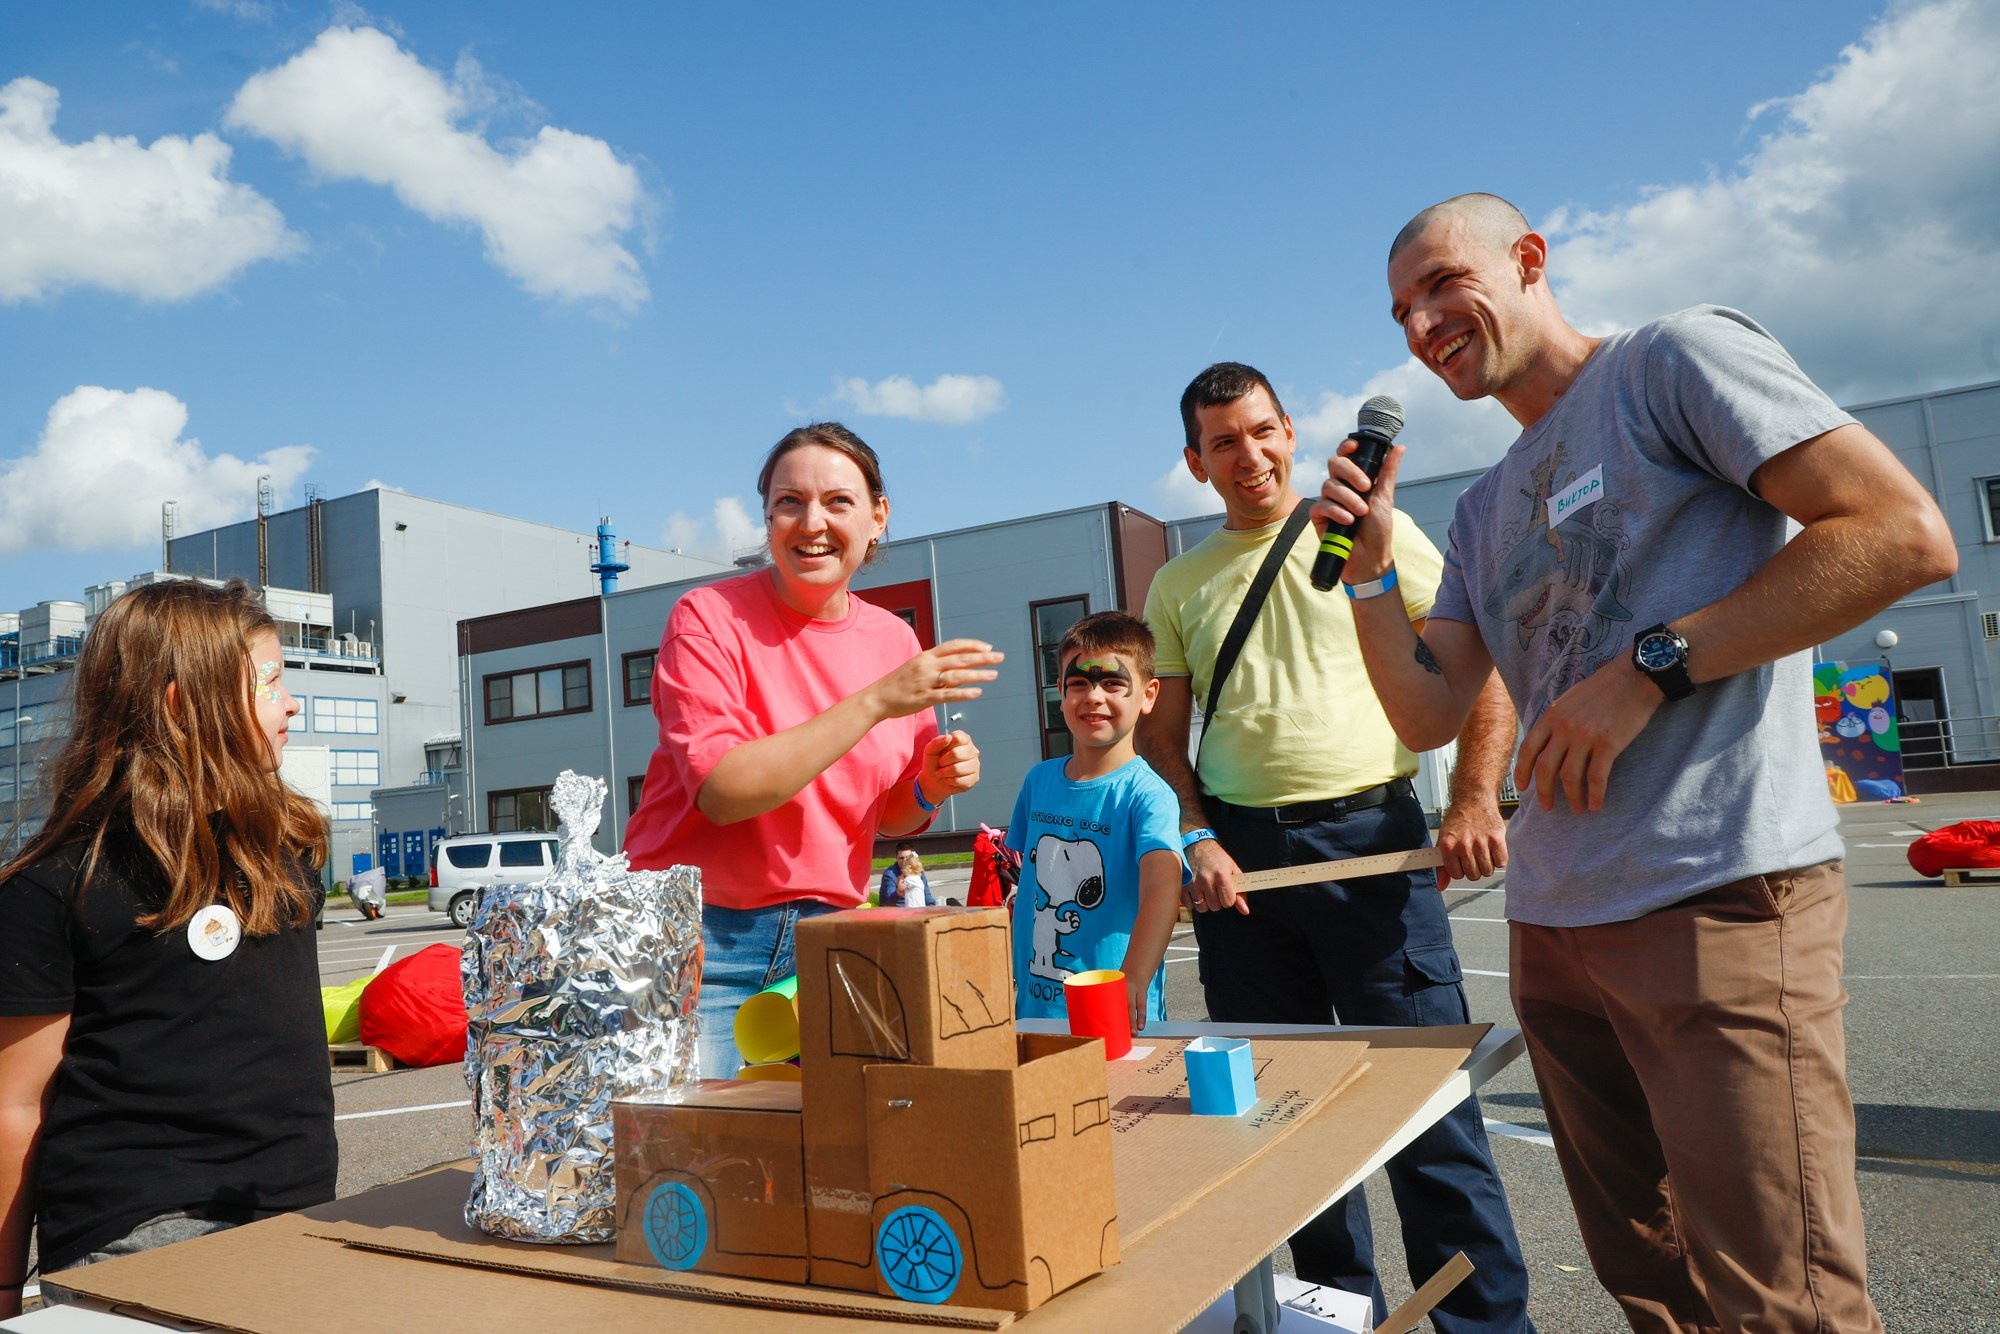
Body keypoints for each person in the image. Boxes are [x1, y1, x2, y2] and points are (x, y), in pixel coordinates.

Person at [1329, 192, 1958, 1333]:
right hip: (1553, 927)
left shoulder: (1670, 362)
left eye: (1440, 284)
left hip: (1713, 892)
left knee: (1785, 1300)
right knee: (1654, 1288)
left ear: (1527, 260)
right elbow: (1424, 710)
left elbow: (1897, 532)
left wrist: (1647, 668)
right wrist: (1372, 575)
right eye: (1399, 310)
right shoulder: (1477, 509)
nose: (1420, 323)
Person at [1137, 362, 1534, 1332]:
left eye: (1262, 430)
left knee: (1427, 1116)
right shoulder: (1175, 582)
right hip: (1240, 871)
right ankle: (1334, 1320)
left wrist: (1475, 795)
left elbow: (1478, 666)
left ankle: (1484, 1325)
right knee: (1287, 1126)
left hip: (1372, 845)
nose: (1248, 455)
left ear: (1290, 431)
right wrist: (1193, 833)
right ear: (1194, 463)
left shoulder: (1371, 537)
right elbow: (1159, 735)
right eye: (1221, 441)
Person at [0, 579, 337, 1318]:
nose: (291, 704)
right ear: (187, 705)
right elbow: (15, 1105)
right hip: (139, 1242)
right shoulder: (60, 880)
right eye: (271, 681)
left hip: (295, 1220)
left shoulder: (281, 850)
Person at [624, 422, 1002, 1079]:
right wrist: (876, 702)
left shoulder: (891, 643)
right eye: (789, 502)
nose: (812, 522)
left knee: (809, 1159)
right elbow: (723, 791)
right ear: (767, 517)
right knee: (689, 1157)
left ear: (878, 518)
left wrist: (929, 787)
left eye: (838, 501)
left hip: (823, 939)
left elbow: (886, 818)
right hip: (697, 936)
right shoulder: (708, 616)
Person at [1006, 612, 1184, 1035]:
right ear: (1061, 693)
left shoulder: (1149, 794)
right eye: (1078, 683)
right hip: (1035, 1008)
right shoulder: (1038, 781)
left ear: (1148, 694)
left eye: (1112, 683)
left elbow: (1164, 886)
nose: (1093, 697)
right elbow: (1024, 880)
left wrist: (1135, 977)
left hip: (1114, 1011)